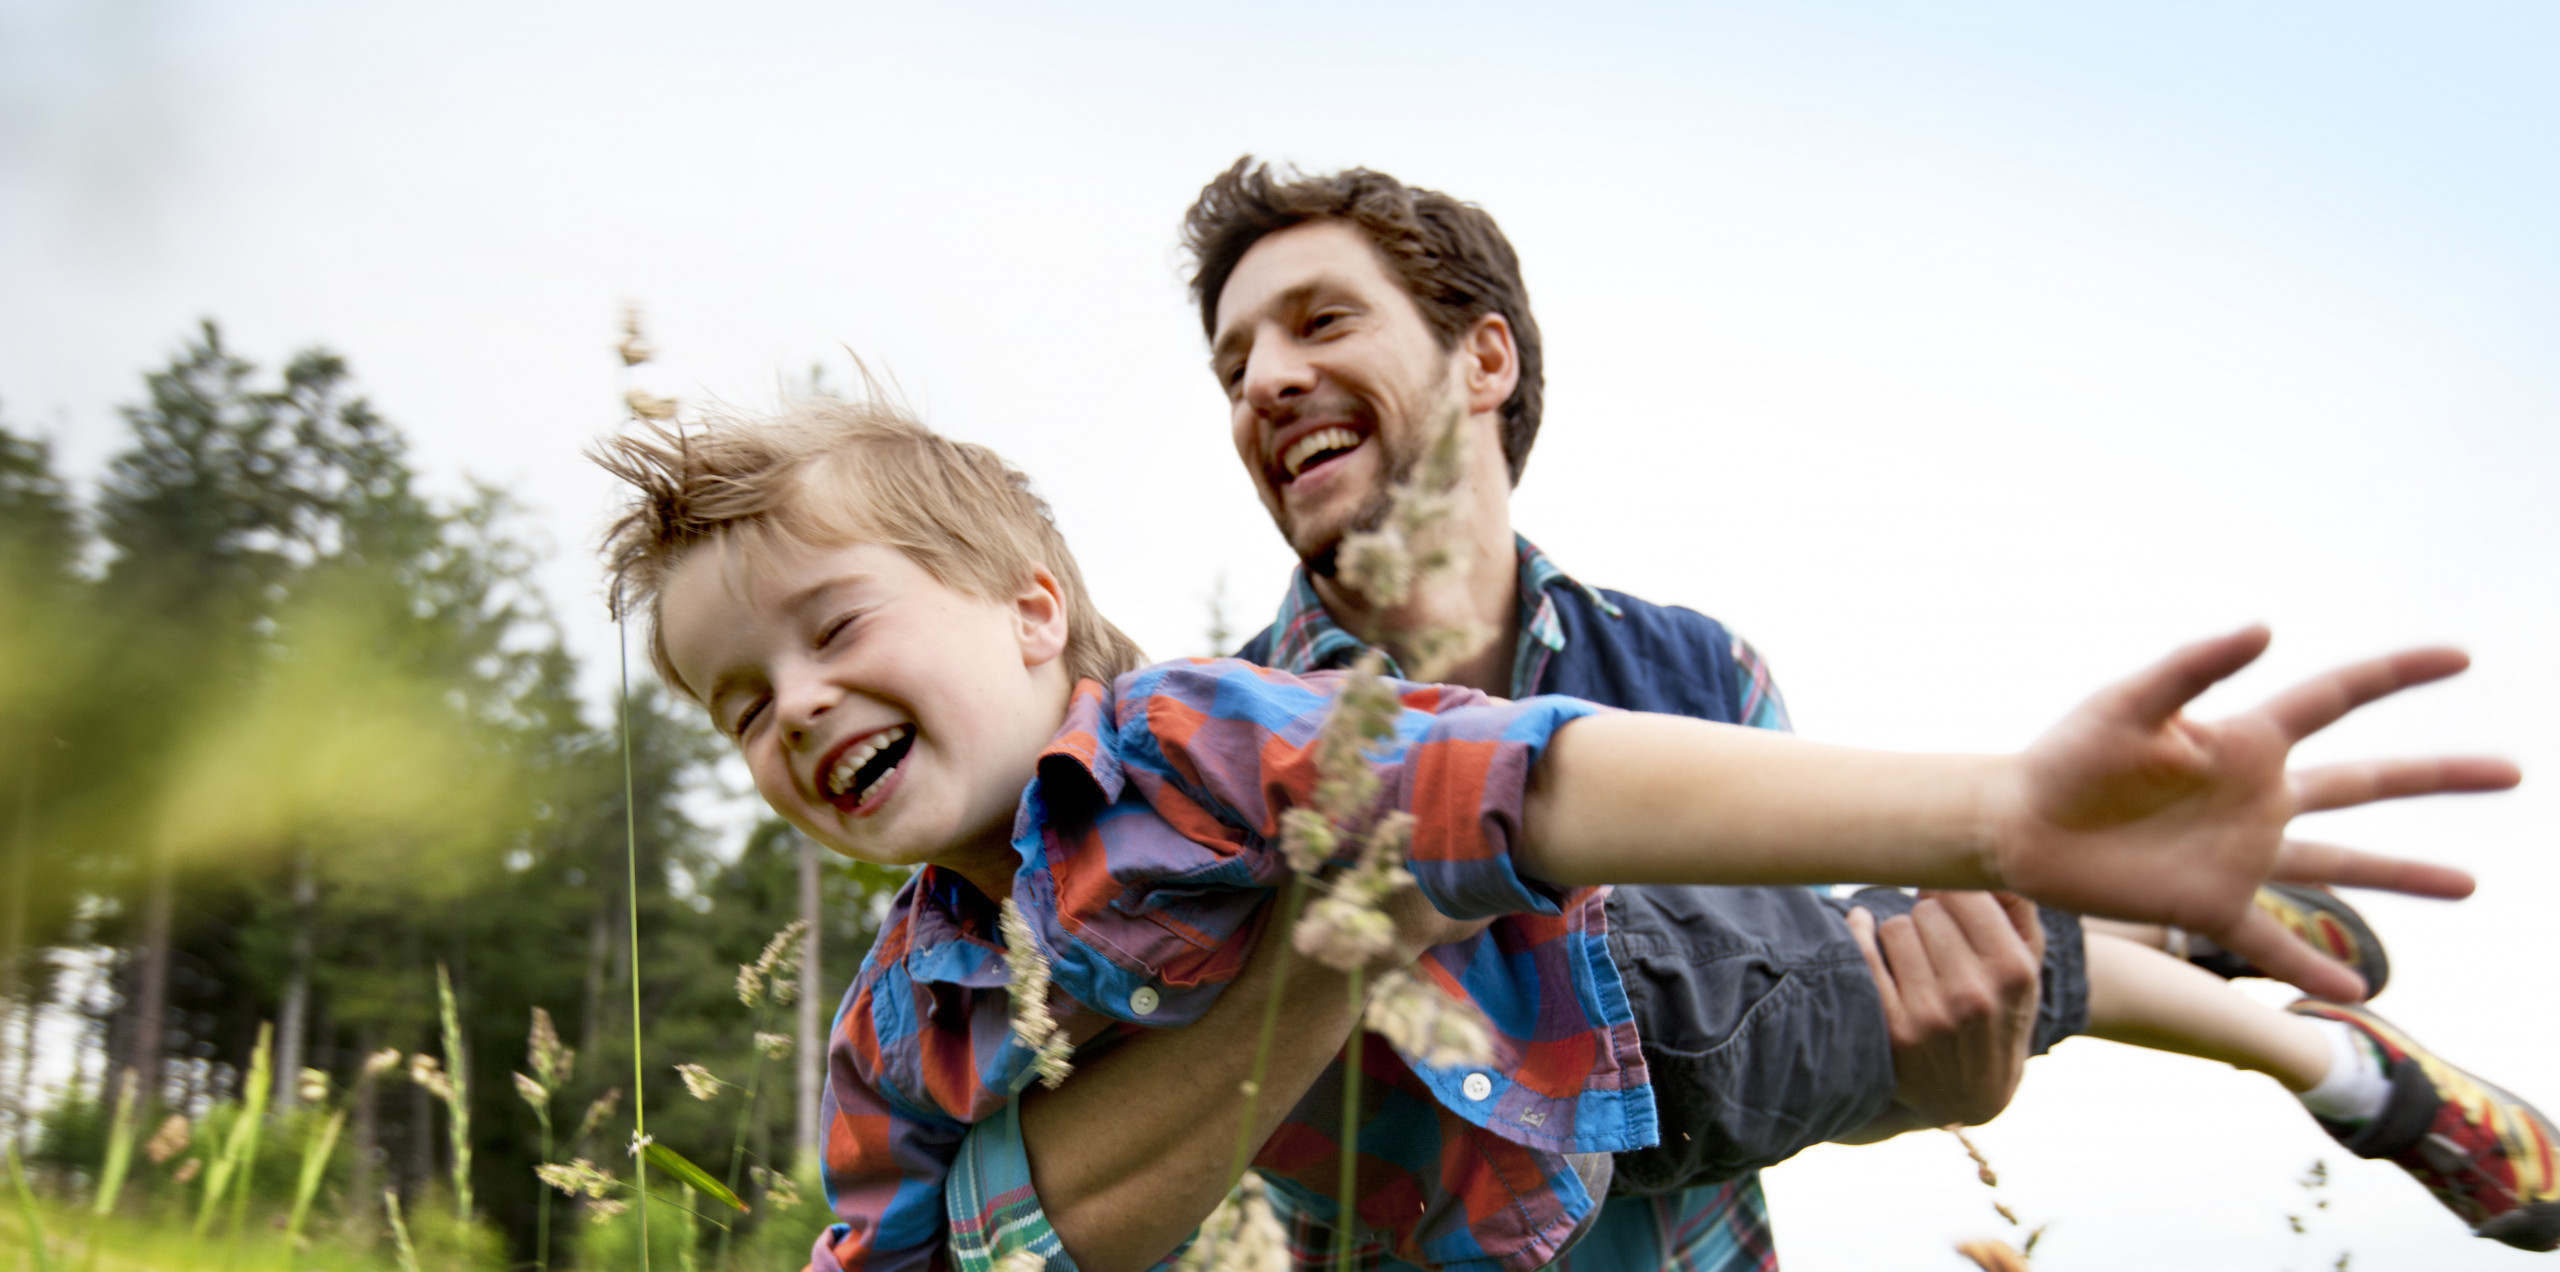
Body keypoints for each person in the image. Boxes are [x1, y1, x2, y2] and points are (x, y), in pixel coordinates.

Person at [591, 397, 2549, 1272]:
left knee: (1956, 950)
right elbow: (903, 1245)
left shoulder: (1194, 742)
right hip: (1475, 1202)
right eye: (736, 704)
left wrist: (1997, 803)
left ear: (1031, 607)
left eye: (831, 629)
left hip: (1651, 1020)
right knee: (1934, 933)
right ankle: (2195, 932)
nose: (796, 711)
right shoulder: (902, 1011)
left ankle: (2312, 1045)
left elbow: (1531, 779)